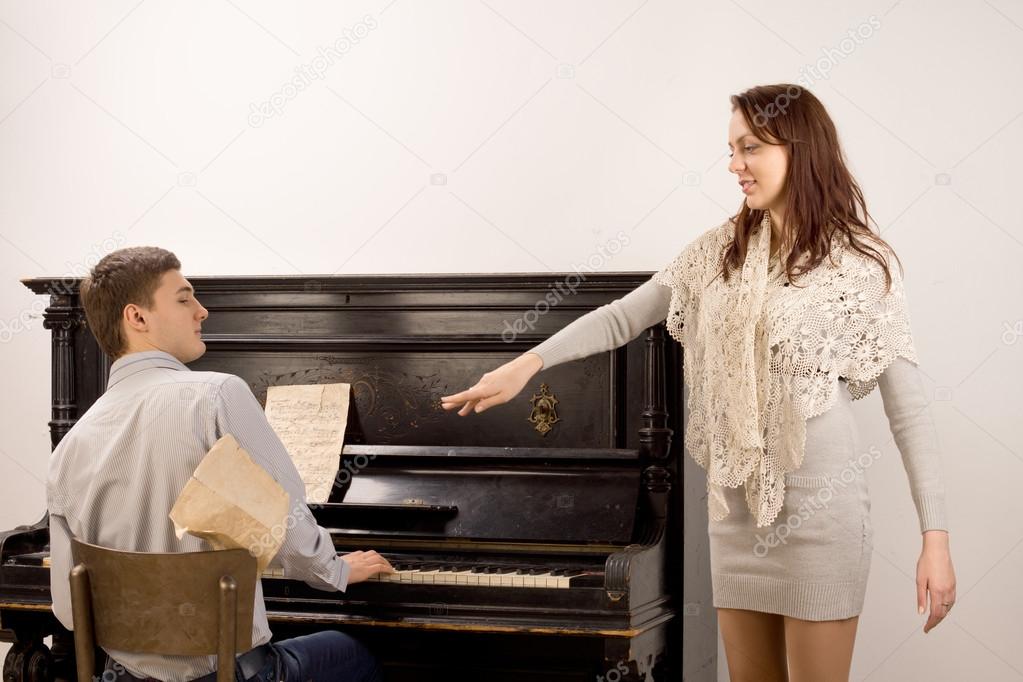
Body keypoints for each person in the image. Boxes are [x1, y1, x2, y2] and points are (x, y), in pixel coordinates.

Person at [440, 83, 957, 682]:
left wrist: (935, 539)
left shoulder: (863, 264)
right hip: (735, 517)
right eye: (731, 149)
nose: (733, 164)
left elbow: (910, 412)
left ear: (801, 149)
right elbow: (622, 317)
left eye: (750, 147)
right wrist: (525, 364)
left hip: (823, 518)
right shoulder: (717, 253)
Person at [47, 247, 394, 682]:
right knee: (356, 653)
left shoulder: (70, 444)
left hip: (123, 675)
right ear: (137, 318)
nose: (202, 311)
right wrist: (334, 569)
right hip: (230, 675)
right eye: (183, 298)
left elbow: (68, 606)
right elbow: (282, 518)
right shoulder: (216, 395)